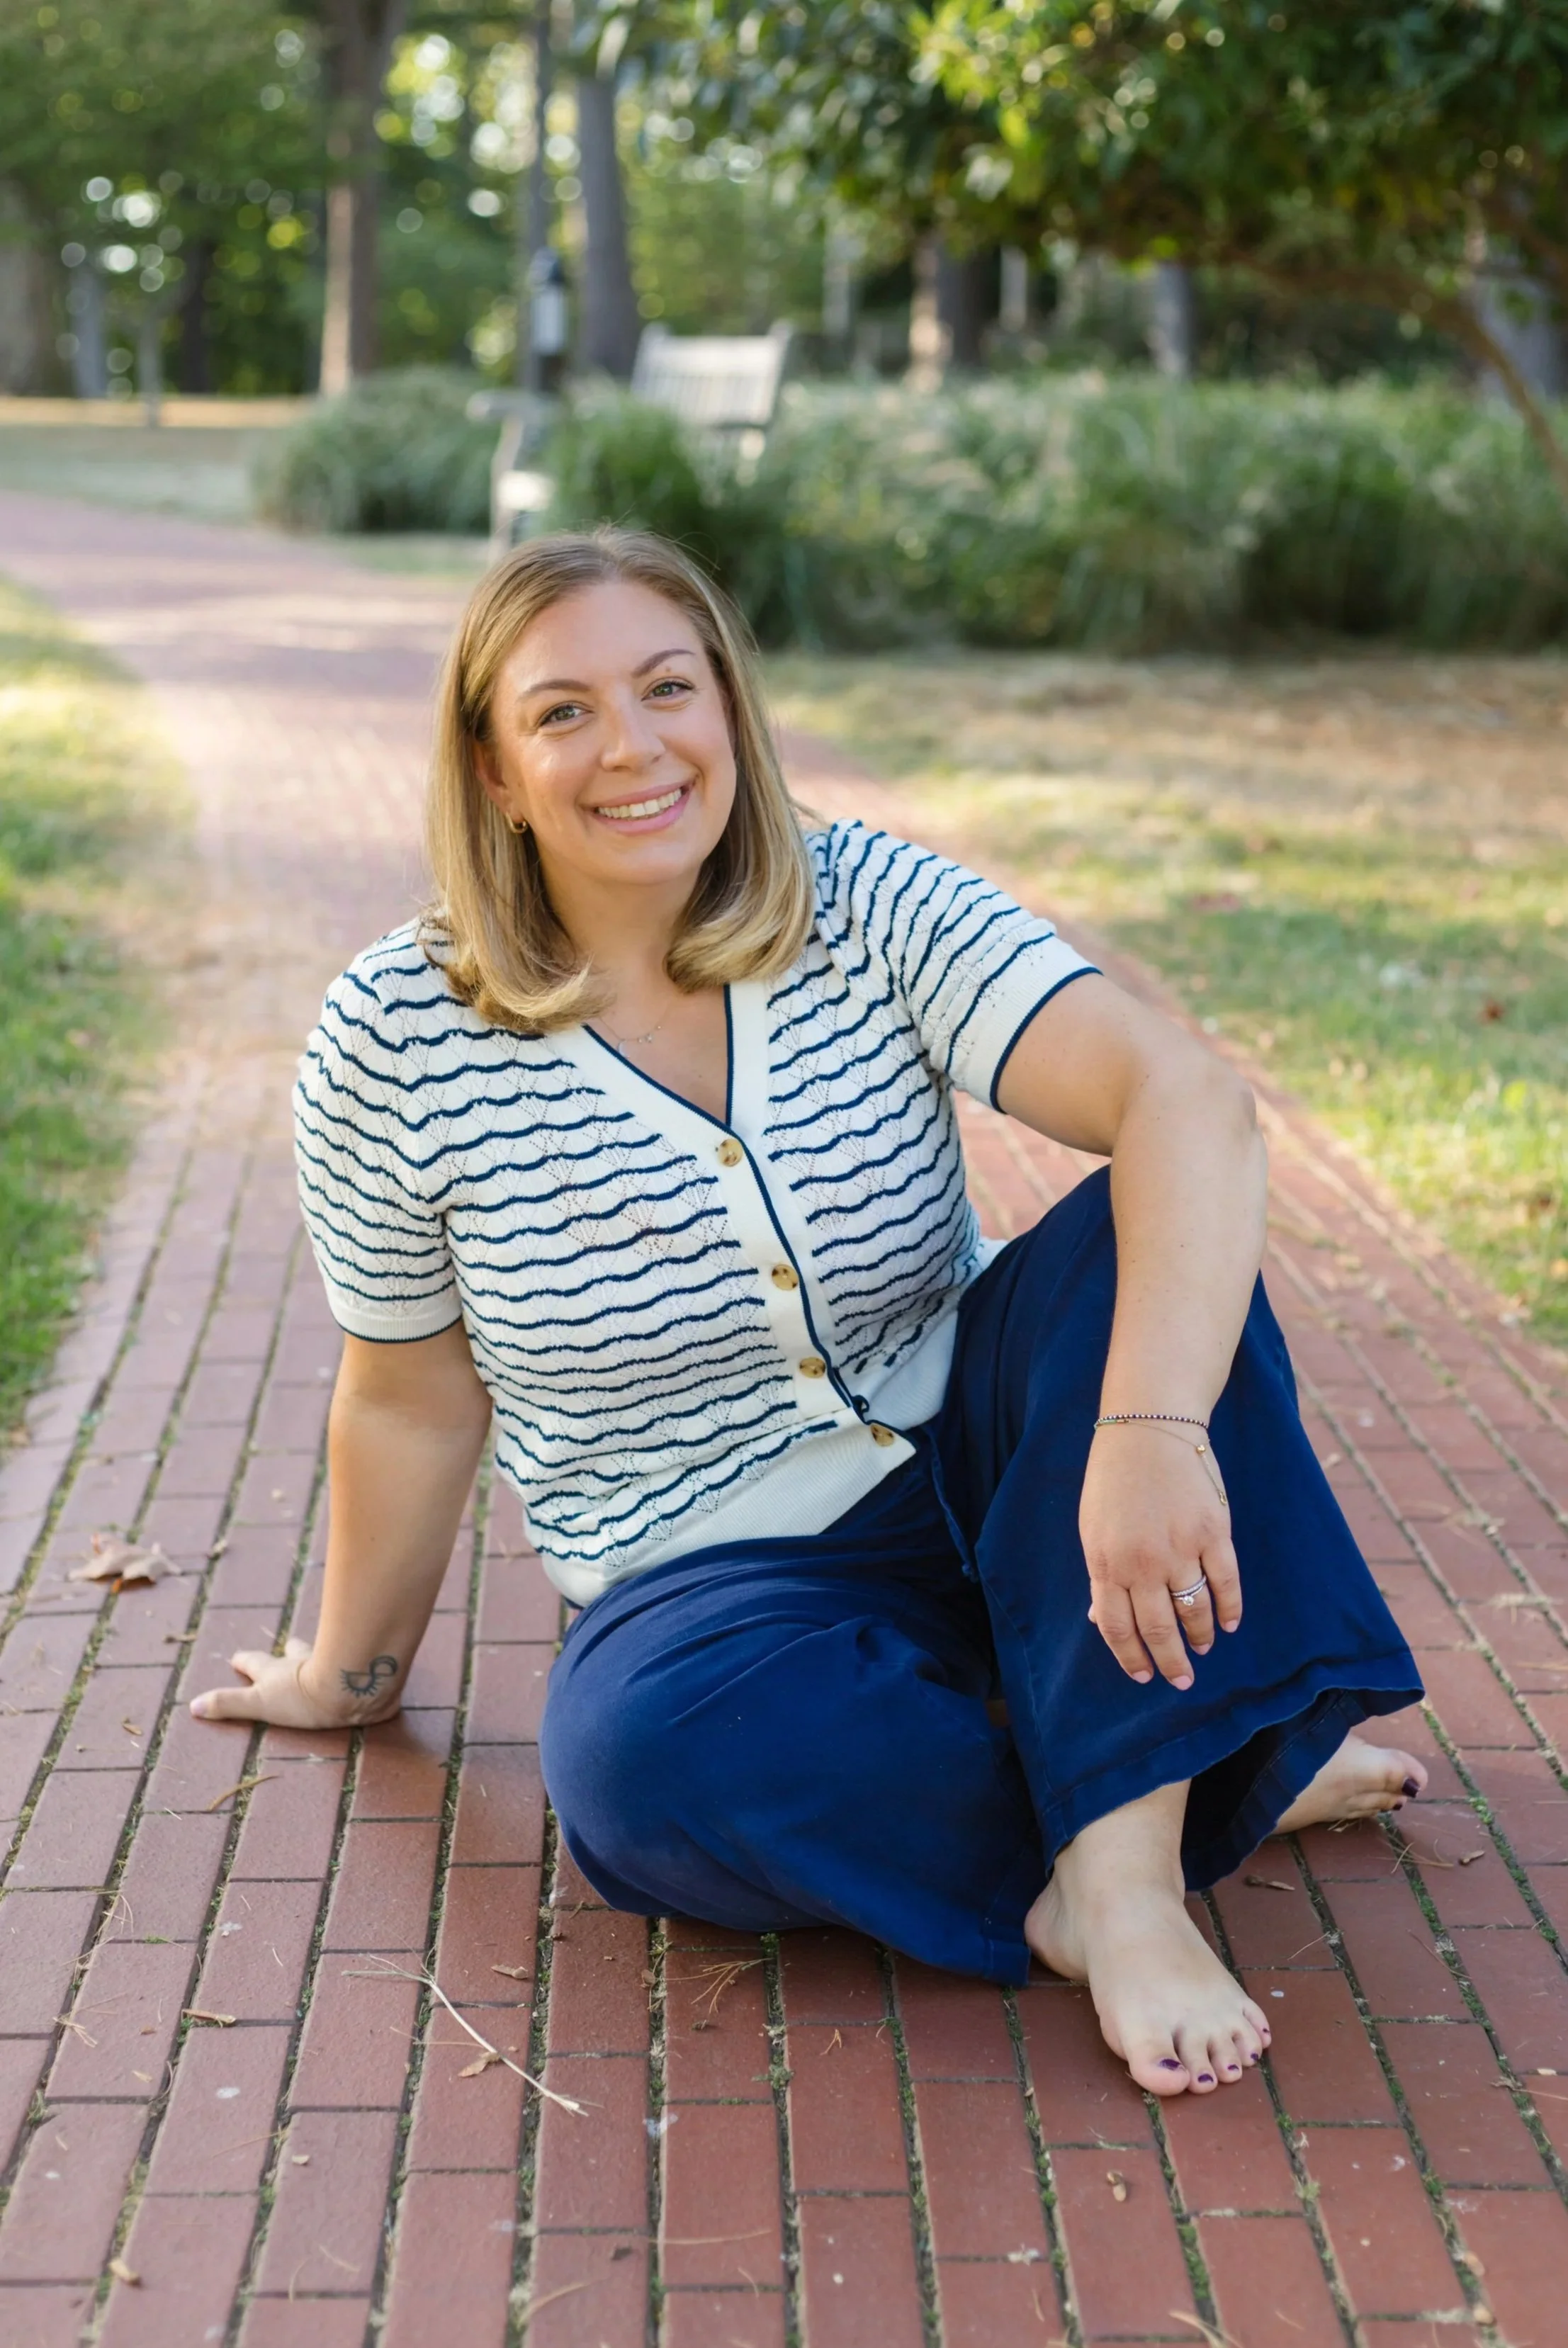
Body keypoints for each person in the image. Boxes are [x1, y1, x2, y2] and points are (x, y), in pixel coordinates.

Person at [192, 529, 1423, 2099]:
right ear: (493, 771)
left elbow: (1177, 1095)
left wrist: (1144, 1428)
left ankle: (1113, 1889)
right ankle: (1207, 1760)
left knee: (1147, 1240)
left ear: (730, 711)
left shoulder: (860, 897)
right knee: (641, 1766)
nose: (631, 746)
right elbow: (411, 1396)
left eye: (666, 688)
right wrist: (347, 1677)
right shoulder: (394, 1039)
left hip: (994, 1456)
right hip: (714, 1572)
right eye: (563, 711)